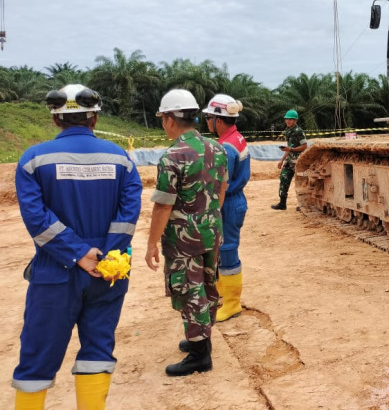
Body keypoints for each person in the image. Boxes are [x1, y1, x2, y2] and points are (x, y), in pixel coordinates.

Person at [12, 84, 142, 410]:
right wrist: (107, 255)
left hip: (55, 269)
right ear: (94, 119)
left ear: (55, 119)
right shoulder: (122, 160)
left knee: (38, 353)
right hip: (108, 270)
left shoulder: (33, 160)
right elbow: (128, 215)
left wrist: (77, 253)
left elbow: (35, 217)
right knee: (97, 348)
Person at [144, 89, 228, 377]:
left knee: (189, 289)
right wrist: (208, 218)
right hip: (211, 231)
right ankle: (201, 338)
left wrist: (152, 243)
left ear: (169, 119)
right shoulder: (218, 149)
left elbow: (162, 206)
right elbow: (221, 191)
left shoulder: (172, 156)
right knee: (207, 284)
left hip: (183, 239)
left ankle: (199, 355)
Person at [202, 93, 250, 322]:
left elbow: (222, 185)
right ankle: (224, 295)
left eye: (208, 118)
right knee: (222, 249)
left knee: (228, 250)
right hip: (234, 199)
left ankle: (232, 304)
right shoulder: (235, 138)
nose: (206, 122)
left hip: (228, 202)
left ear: (217, 120)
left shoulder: (226, 148)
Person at [271, 109, 308, 210]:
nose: (288, 121)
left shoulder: (299, 131)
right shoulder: (287, 131)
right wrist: (282, 160)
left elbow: (304, 146)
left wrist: (291, 149)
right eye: (286, 119)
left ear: (295, 120)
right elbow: (289, 147)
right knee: (284, 180)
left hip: (298, 161)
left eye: (290, 119)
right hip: (289, 160)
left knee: (301, 183)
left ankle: (303, 204)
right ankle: (282, 204)